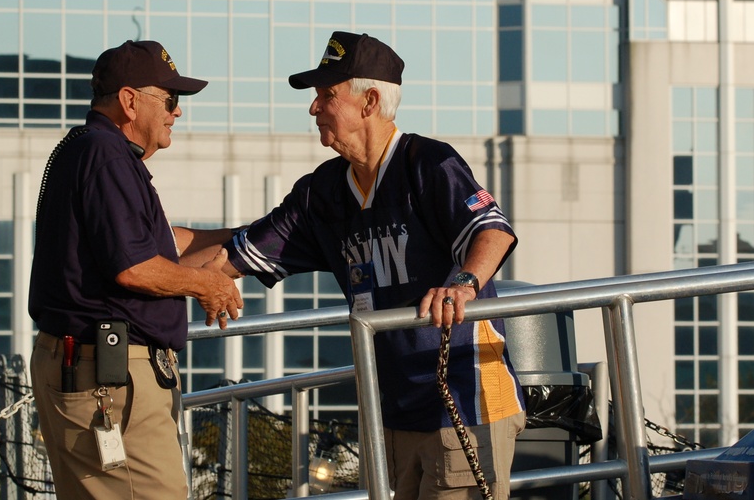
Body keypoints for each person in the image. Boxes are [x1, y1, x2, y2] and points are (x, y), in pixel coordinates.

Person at [179, 31, 526, 499]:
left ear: (369, 102)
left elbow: (493, 230)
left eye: (326, 95)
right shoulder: (320, 193)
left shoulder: (429, 163)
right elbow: (232, 253)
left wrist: (462, 284)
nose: (313, 108)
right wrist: (138, 256)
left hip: (464, 402)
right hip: (390, 412)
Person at [28, 39, 243, 499]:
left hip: (90, 370)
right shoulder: (105, 156)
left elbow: (163, 243)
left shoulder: (93, 150)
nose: (177, 112)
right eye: (170, 100)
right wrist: (206, 284)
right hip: (106, 379)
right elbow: (134, 266)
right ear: (129, 101)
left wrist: (253, 238)